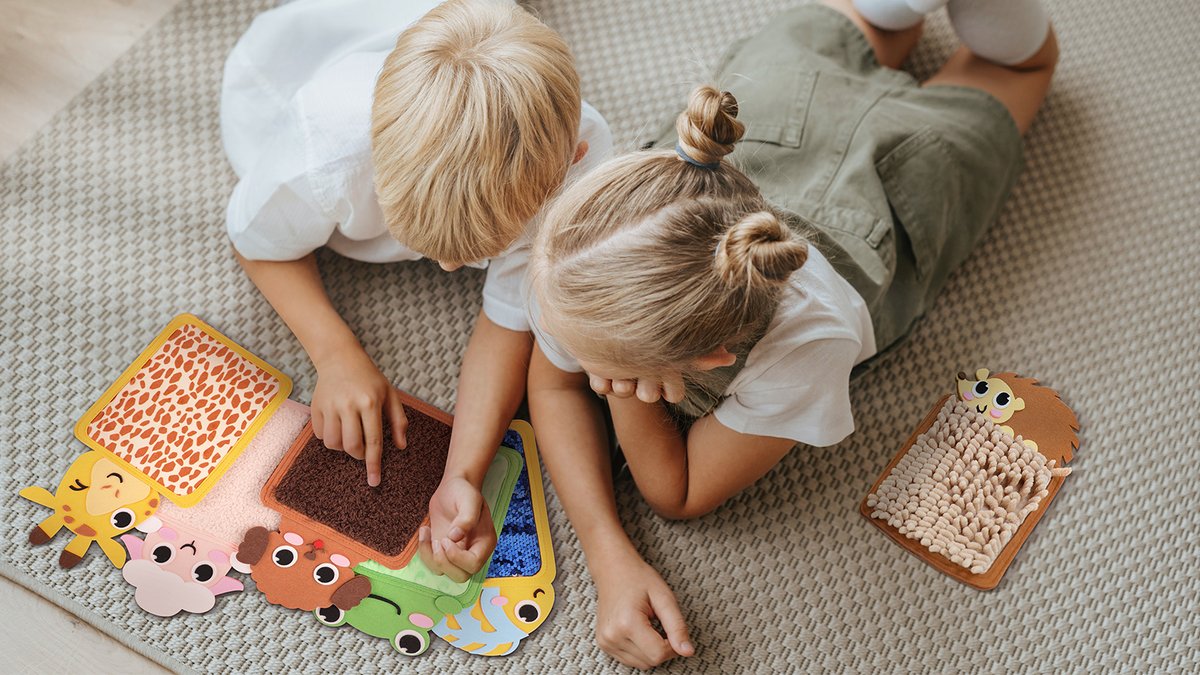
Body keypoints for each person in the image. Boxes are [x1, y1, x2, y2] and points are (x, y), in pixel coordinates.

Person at [525, 0, 1057, 668]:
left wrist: (627, 393)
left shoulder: (807, 348)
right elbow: (550, 384)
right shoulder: (579, 257)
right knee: (865, 26)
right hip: (779, 107)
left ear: (711, 358)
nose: (559, 345)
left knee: (1023, 64)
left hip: (900, 173)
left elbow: (677, 491)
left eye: (606, 367)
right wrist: (608, 554)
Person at [220, 0, 611, 581]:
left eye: (476, 250)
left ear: (570, 163)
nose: (450, 268)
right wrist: (335, 353)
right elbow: (256, 244)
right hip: (288, 65)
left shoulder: (583, 161)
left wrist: (463, 473)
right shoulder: (323, 150)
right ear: (376, 165)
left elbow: (510, 318)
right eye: (431, 245)